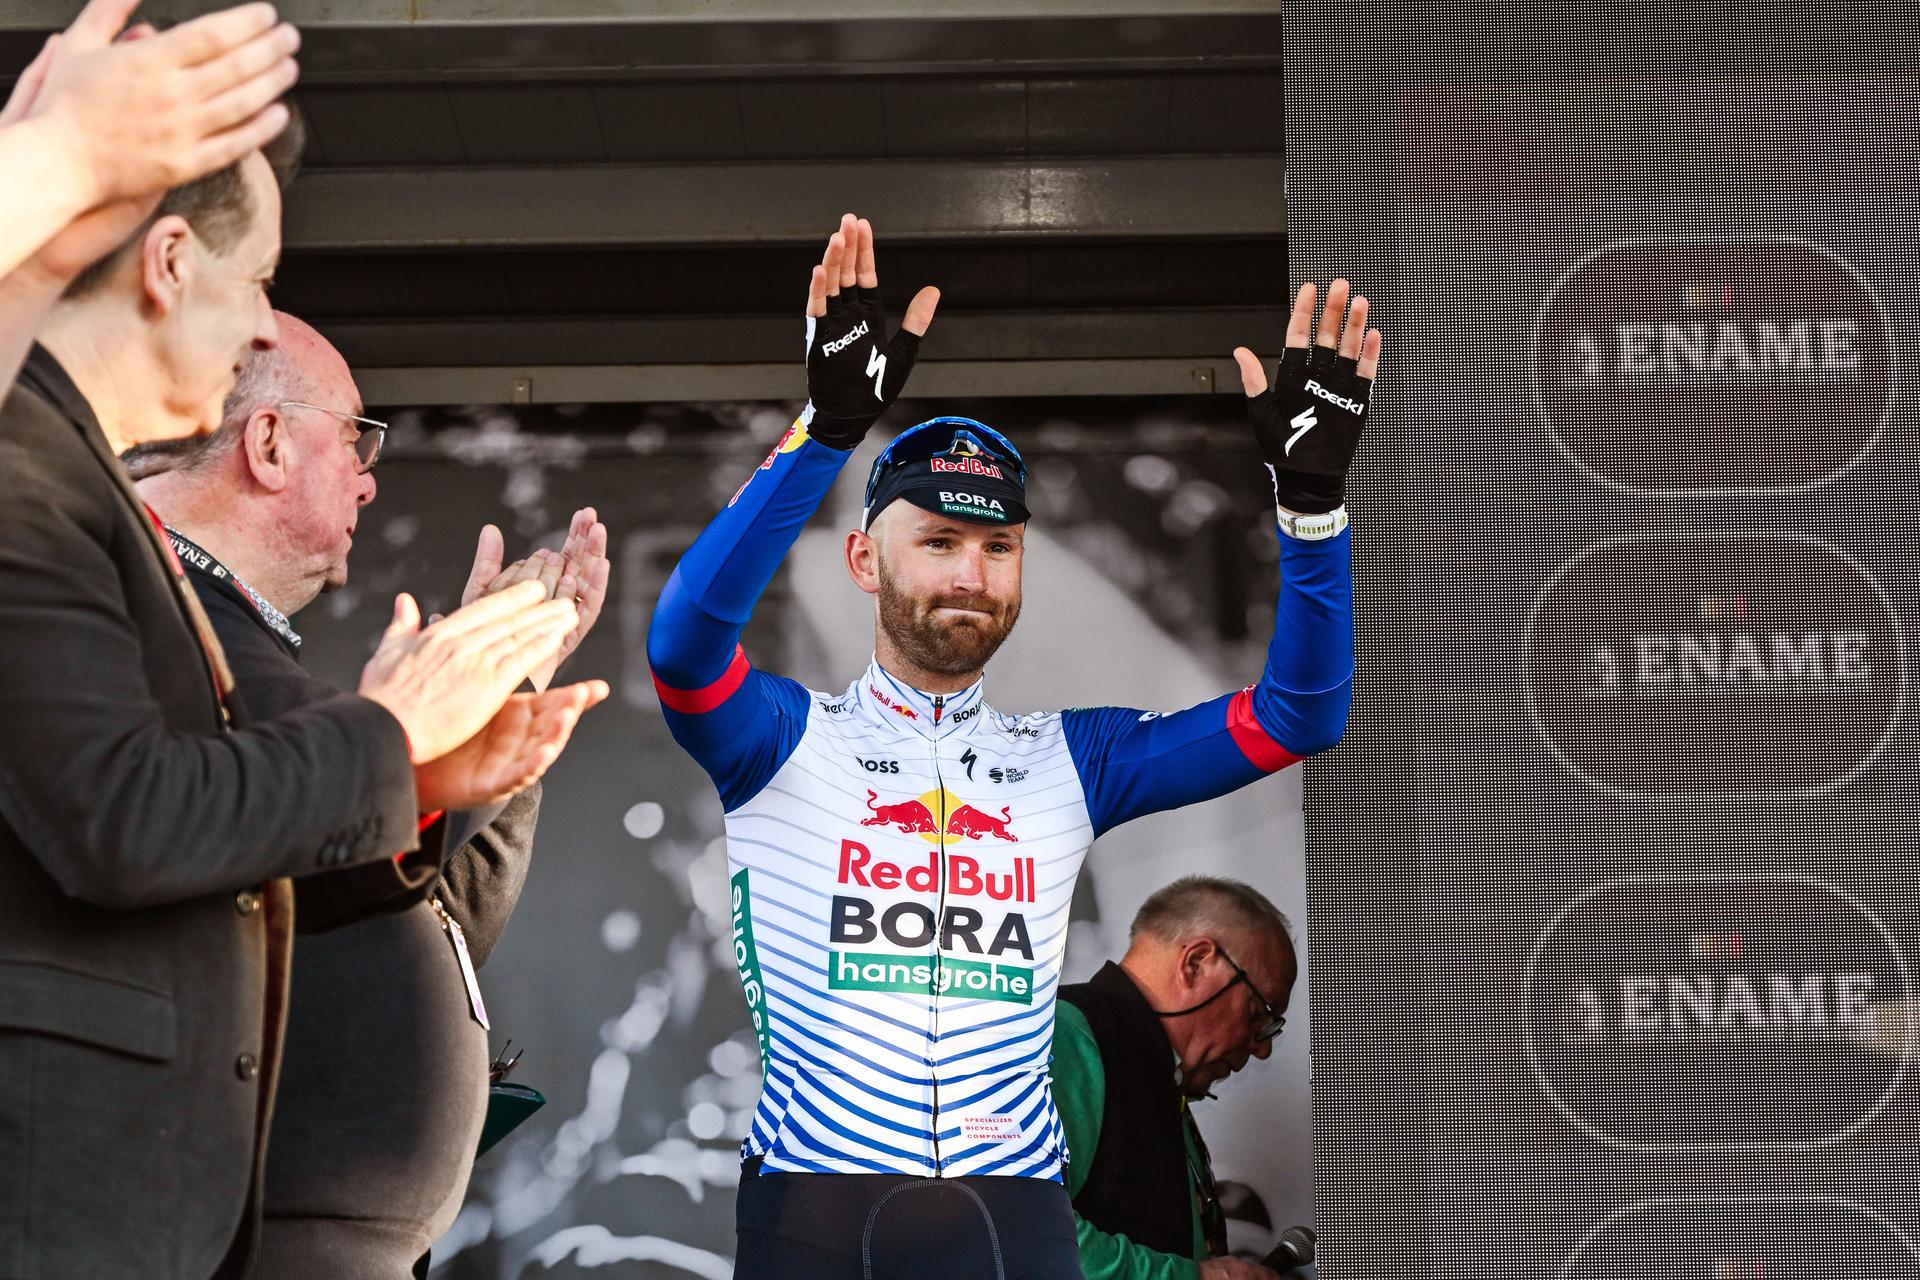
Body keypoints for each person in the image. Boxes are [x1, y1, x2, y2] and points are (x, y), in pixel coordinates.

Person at [646, 211, 1378, 1279]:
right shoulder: (784, 738)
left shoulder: (1071, 758)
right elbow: (685, 644)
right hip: (820, 1208)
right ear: (862, 559)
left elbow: (1297, 715)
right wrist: (828, 426)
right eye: (937, 542)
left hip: (1017, 1217)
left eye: (997, 546)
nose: (969, 575)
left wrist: (1310, 508)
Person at [0, 64, 605, 1280]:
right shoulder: (42, 484)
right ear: (172, 262)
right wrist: (389, 736)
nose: (252, 330)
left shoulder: (90, 510)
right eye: (260, 279)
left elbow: (296, 888)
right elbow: (121, 815)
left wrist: (439, 758)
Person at [131, 312, 611, 1280]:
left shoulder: (252, 659)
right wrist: (412, 729)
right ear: (266, 443)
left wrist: (495, 698)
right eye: (354, 436)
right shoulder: (139, 621)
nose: (368, 474)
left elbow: (418, 909)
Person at [0, 0, 300, 391]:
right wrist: (56, 156)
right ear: (170, 263)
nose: (267, 333)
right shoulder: (35, 443)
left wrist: (38, 268)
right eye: (257, 282)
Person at [1052, 877, 1298, 1280]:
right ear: (1196, 962)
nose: (1262, 1048)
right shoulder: (1068, 1034)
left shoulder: (1152, 1072)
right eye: (1258, 1014)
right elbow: (1025, 1233)